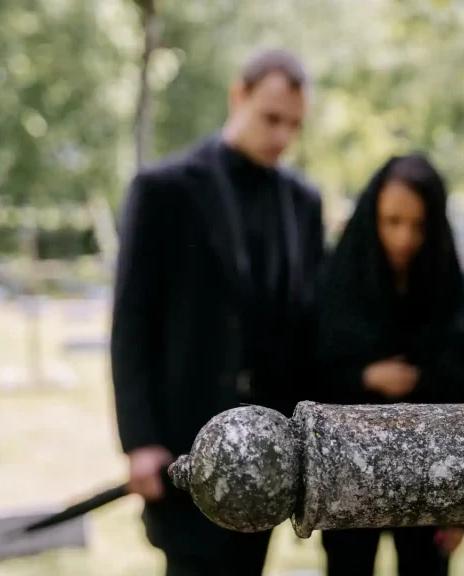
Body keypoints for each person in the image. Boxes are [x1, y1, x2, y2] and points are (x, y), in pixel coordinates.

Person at [109, 48, 325, 576]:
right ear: (238, 96)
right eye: (271, 118)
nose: (281, 137)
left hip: (271, 453)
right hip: (183, 443)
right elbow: (132, 324)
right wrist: (141, 441)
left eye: (293, 125)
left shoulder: (303, 202)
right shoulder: (163, 190)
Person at [312, 154, 464, 576]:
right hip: (348, 476)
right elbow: (309, 375)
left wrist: (463, 505)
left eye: (418, 225)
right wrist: (365, 376)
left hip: (431, 479)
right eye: (391, 221)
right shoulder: (332, 290)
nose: (404, 239)